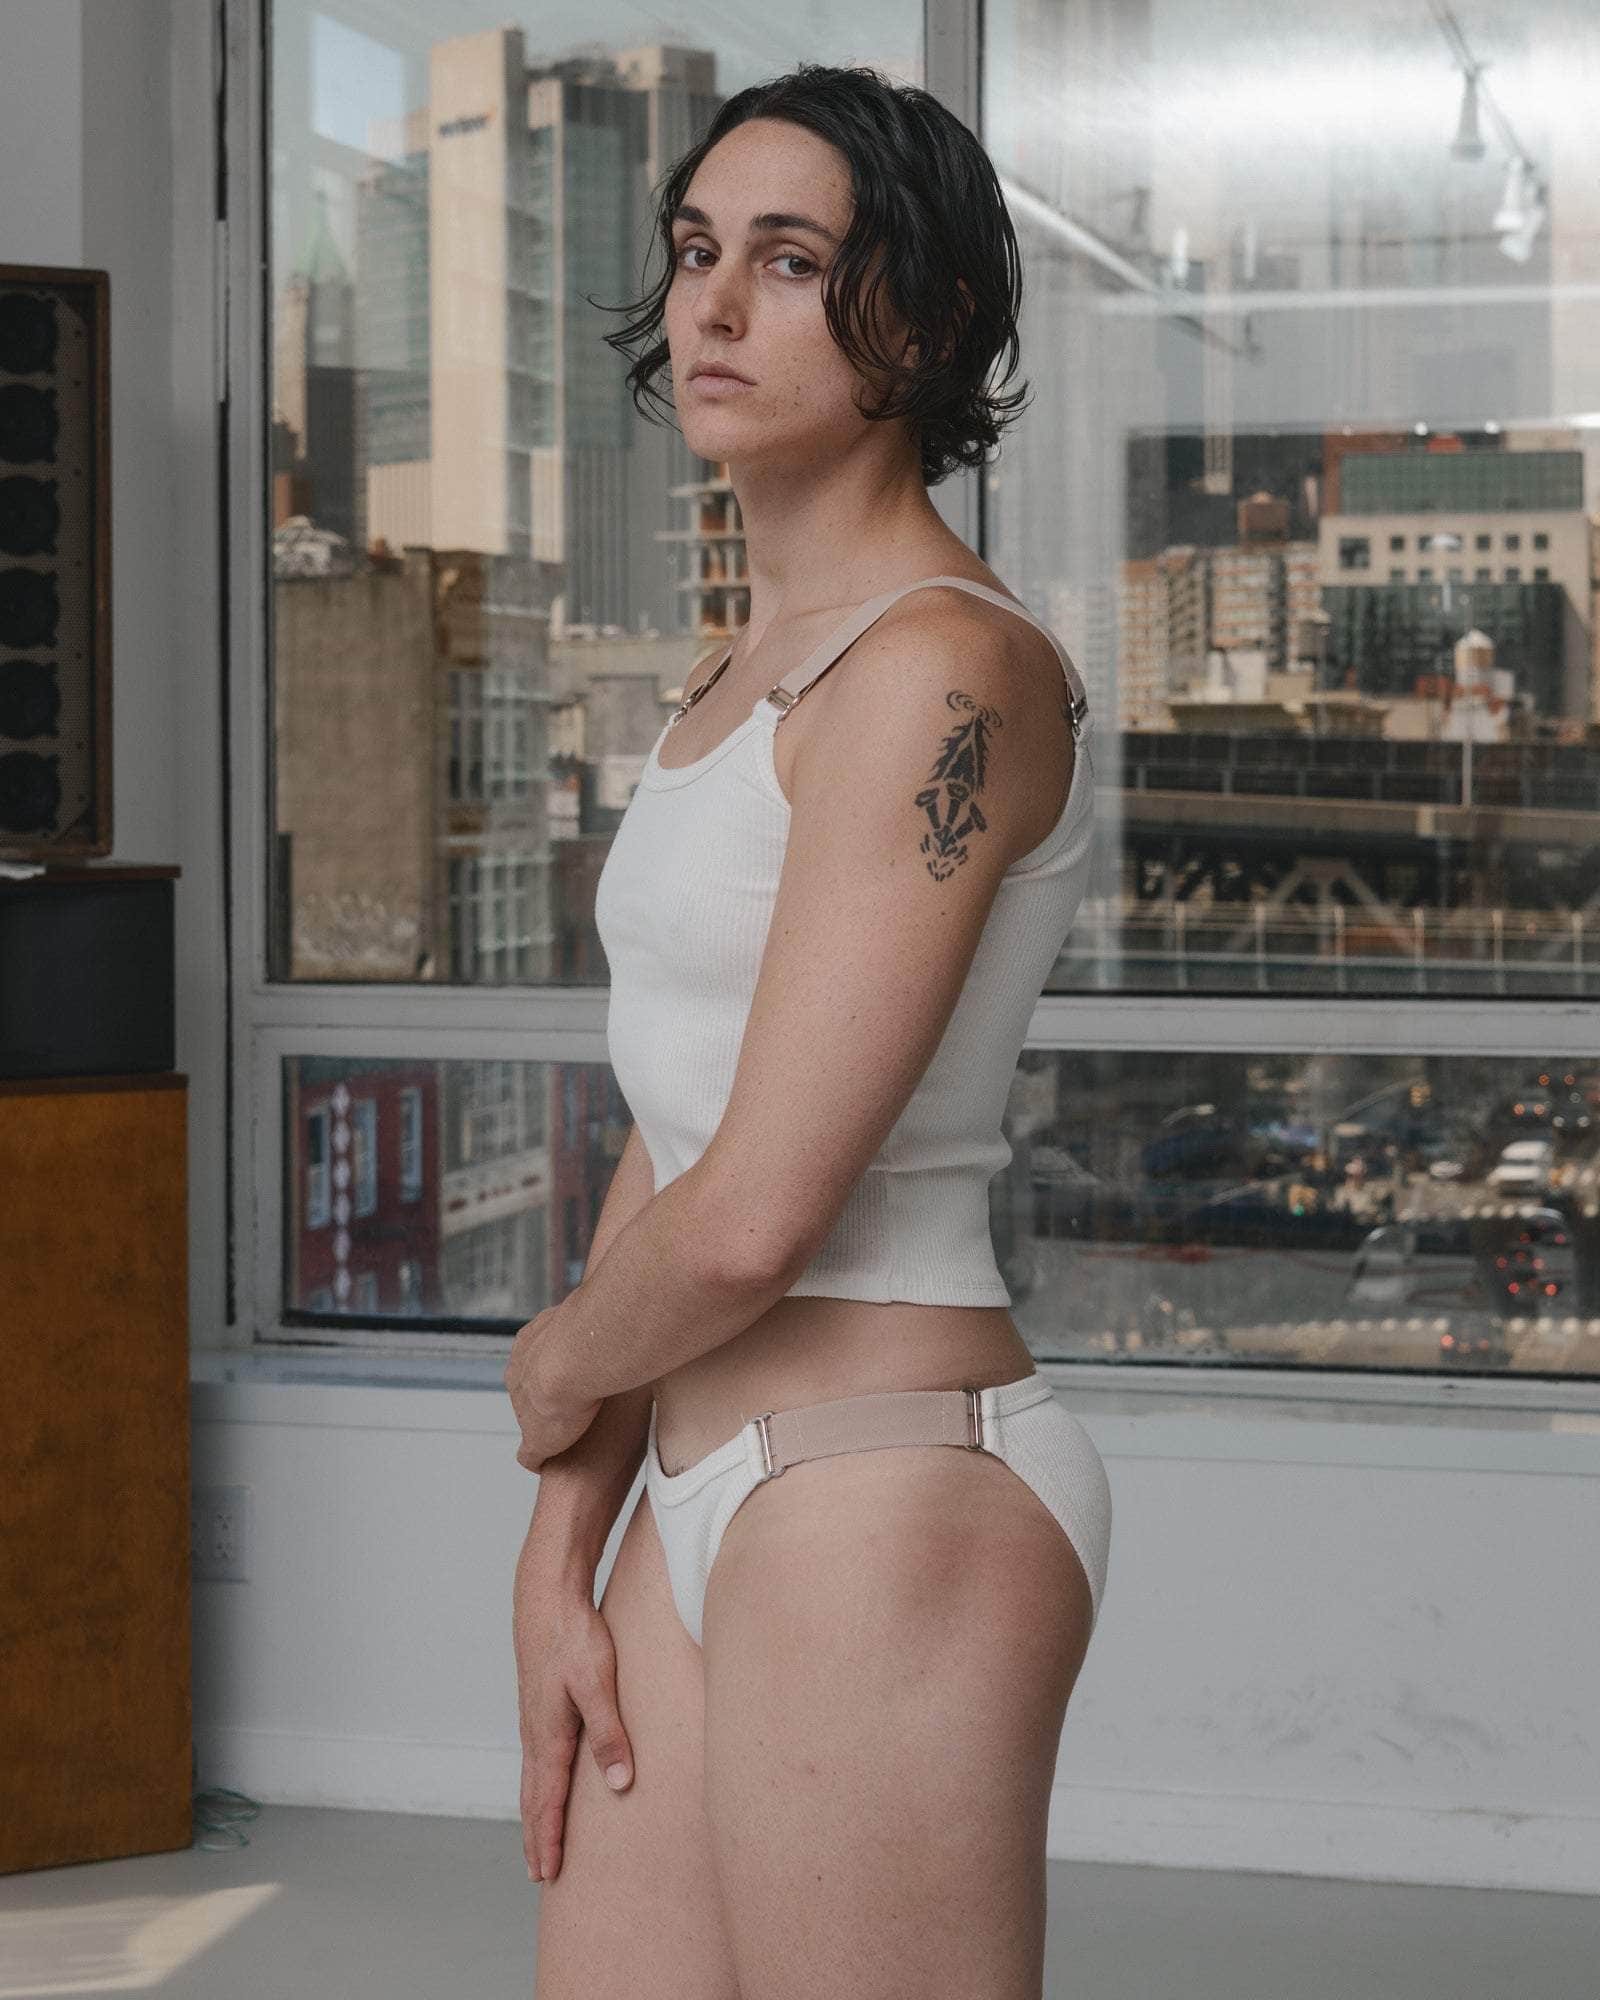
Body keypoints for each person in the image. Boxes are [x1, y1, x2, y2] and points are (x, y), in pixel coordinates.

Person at [504, 62, 1111, 1999]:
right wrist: (566, 1529)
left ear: (922, 319)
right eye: (697, 250)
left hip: (883, 1479)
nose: (711, 303)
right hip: (689, 1483)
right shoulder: (739, 675)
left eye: (786, 260)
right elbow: (679, 1130)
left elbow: (757, 1212)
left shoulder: (942, 670)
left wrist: (546, 1365)